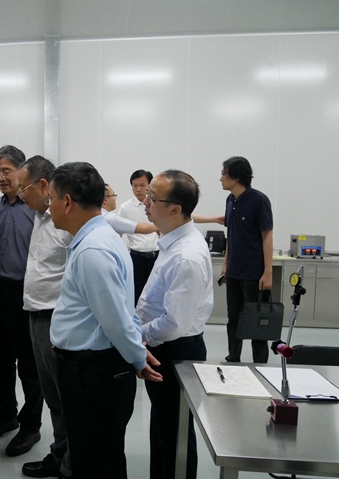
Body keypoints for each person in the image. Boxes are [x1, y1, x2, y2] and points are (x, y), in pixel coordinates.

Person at [48, 161, 162, 479]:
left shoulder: (93, 250)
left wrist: (137, 357)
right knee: (101, 454)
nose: (48, 207)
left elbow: (116, 320)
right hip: (92, 370)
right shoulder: (100, 237)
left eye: (50, 199)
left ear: (67, 202)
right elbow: (122, 310)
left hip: (92, 373)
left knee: (95, 460)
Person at [137, 170, 213, 479]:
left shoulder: (186, 256)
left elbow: (173, 323)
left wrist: (136, 335)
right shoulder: (172, 241)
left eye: (152, 197)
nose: (145, 202)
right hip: (164, 347)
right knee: (162, 428)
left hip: (174, 351)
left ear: (175, 209)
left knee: (176, 436)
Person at [0, 145, 43, 457]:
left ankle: (31, 427)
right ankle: (6, 416)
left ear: (21, 171)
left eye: (6, 171)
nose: (0, 177)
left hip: (24, 296)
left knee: (29, 365)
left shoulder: (36, 209)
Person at [17, 156, 73, 479]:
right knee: (52, 395)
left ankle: (71, 466)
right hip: (35, 315)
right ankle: (59, 454)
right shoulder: (39, 217)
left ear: (42, 185)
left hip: (57, 318)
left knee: (66, 397)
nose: (20, 195)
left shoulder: (65, 221)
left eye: (23, 188)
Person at [220, 157, 273, 364]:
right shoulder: (230, 200)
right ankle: (233, 357)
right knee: (233, 318)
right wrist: (226, 263)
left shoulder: (259, 200)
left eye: (224, 174)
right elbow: (231, 235)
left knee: (257, 320)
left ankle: (260, 363)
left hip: (254, 274)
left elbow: (267, 236)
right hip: (234, 272)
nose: (220, 178)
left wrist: (267, 272)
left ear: (236, 177)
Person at [117, 170, 160, 304]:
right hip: (136, 258)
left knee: (156, 295)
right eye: (134, 186)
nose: (138, 189)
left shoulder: (158, 205)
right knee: (135, 295)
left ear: (150, 185)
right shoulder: (125, 207)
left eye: (142, 185)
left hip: (157, 257)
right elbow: (118, 234)